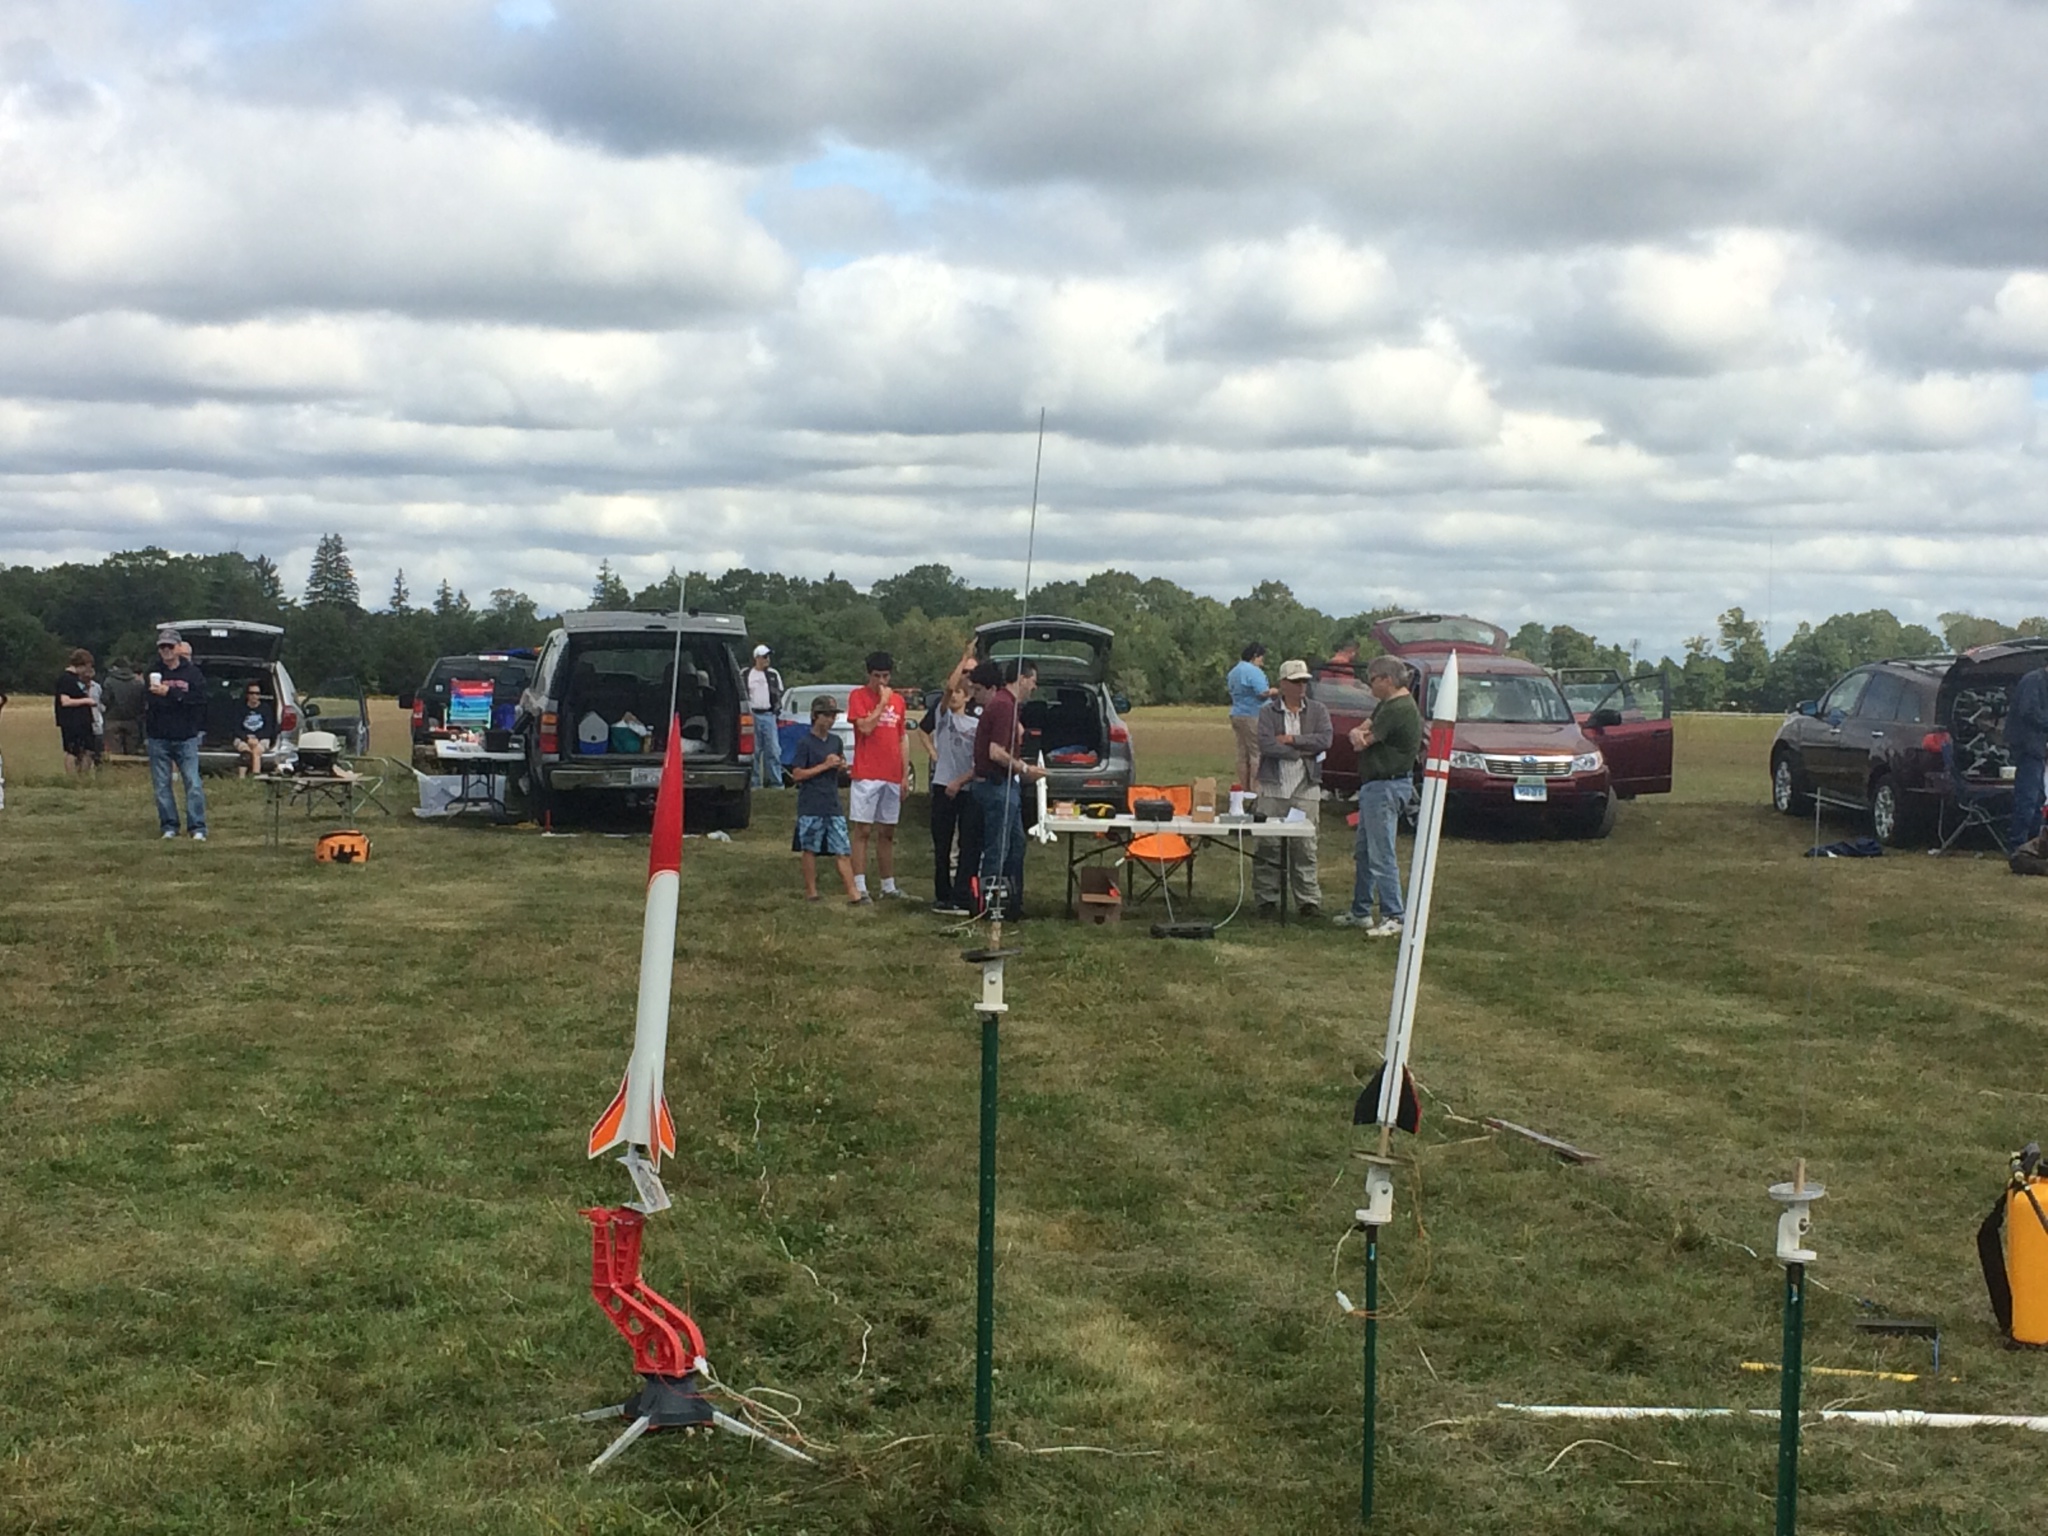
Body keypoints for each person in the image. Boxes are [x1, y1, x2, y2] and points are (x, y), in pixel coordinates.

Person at [1334, 656, 1422, 936]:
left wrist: (1359, 736)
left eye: (1372, 679)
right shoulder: (1387, 704)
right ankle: (1361, 910)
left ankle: (1394, 914)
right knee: (1364, 851)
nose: (1369, 685)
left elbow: (1363, 740)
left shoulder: (1399, 708)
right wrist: (1358, 733)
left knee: (1382, 852)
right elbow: (1362, 728)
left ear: (1387, 679)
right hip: (1374, 786)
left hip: (1387, 786)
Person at [1253, 659, 1332, 917]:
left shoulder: (1318, 710)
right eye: (1296, 682)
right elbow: (1266, 744)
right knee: (1268, 845)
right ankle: (1267, 899)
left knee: (1305, 847)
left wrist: (1291, 740)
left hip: (1306, 787)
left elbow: (1324, 740)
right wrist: (1299, 752)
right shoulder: (1268, 712)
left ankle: (1308, 901)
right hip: (1273, 787)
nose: (1302, 687)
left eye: (1305, 682)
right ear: (1283, 684)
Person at [973, 659, 1046, 922]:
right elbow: (996, 752)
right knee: (998, 848)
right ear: (1022, 678)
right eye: (1033, 681)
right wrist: (1025, 770)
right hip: (996, 787)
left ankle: (1013, 903)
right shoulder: (1004, 705)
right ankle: (990, 905)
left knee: (1016, 845)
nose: (1034, 687)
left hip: (1005, 787)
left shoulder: (1008, 706)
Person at [918, 644, 983, 914]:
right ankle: (942, 895)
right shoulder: (943, 718)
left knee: (968, 844)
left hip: (967, 788)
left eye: (960, 693)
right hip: (943, 785)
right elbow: (947, 689)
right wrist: (964, 657)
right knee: (942, 843)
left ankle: (962, 894)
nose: (955, 696)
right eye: (953, 693)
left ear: (967, 698)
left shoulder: (976, 725)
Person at [847, 650, 912, 900]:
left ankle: (888, 885)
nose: (882, 682)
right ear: (869, 675)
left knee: (887, 831)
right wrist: (881, 703)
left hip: (892, 773)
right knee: (863, 830)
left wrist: (904, 774)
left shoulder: (899, 701)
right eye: (877, 676)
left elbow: (901, 737)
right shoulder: (858, 696)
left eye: (886, 676)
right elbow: (864, 727)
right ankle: (860, 885)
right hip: (867, 773)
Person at [788, 695, 862, 902]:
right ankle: (812, 892)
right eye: (826, 716)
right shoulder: (805, 743)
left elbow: (838, 768)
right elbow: (797, 775)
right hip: (811, 804)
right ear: (815, 716)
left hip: (832, 803)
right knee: (810, 848)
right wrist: (824, 766)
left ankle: (853, 893)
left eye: (833, 716)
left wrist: (841, 767)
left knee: (842, 849)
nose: (830, 720)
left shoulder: (835, 741)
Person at [144, 627, 209, 841]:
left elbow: (198, 700)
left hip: (186, 737)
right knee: (162, 785)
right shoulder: (152, 672)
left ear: (178, 647)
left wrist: (170, 693)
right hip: (158, 736)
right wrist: (170, 697)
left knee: (193, 783)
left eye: (170, 646)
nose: (166, 650)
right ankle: (169, 826)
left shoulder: (192, 673)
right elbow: (148, 701)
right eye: (162, 646)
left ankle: (197, 827)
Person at [2009, 663, 2048, 851]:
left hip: (2037, 749)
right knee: (2028, 798)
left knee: (2038, 798)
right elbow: (2028, 712)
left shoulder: (2042, 682)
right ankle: (2018, 846)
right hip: (2027, 748)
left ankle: (2033, 844)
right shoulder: (2034, 680)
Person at [1227, 642, 1275, 793]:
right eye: (1261, 658)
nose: (1262, 661)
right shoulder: (1253, 671)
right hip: (1253, 715)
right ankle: (1255, 789)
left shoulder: (1234, 671)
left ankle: (1244, 788)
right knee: (1256, 753)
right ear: (1255, 656)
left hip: (1237, 713)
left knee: (1243, 753)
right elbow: (1262, 693)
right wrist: (1276, 691)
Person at [745, 644, 785, 789]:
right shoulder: (747, 674)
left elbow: (779, 693)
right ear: (757, 658)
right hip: (752, 715)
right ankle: (755, 784)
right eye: (764, 657)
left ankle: (776, 783)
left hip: (769, 714)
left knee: (773, 750)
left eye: (768, 657)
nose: (767, 660)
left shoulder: (773, 674)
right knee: (754, 751)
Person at [55, 649, 97, 774]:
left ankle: (82, 777)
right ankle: (72, 778)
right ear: (82, 664)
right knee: (72, 751)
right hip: (71, 721)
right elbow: (65, 701)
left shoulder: (79, 679)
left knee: (88, 750)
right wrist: (87, 701)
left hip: (83, 721)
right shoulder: (66, 679)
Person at [101, 657, 145, 757]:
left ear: (115, 667)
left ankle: (116, 772)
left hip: (113, 720)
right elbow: (142, 703)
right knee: (132, 755)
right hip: (132, 721)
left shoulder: (109, 681)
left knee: (114, 755)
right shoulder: (138, 683)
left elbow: (105, 700)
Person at [231, 681, 277, 777]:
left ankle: (256, 777)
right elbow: (236, 727)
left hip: (262, 738)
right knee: (246, 753)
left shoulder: (266, 709)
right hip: (243, 737)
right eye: (251, 693)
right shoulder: (240, 708)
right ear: (247, 695)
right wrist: (247, 738)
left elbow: (269, 728)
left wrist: (257, 738)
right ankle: (242, 779)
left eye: (257, 693)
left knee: (257, 752)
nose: (254, 696)